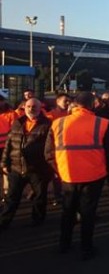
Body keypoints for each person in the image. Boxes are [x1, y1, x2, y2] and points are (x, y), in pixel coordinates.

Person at [45, 92, 109, 259]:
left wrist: (59, 170)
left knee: (68, 211)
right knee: (88, 213)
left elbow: (48, 153)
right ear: (92, 105)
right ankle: (86, 247)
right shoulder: (102, 123)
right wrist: (105, 171)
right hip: (94, 175)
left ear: (74, 104)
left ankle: (64, 243)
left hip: (68, 175)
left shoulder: (58, 123)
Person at [0, 98, 53, 230]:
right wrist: (4, 162)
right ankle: (4, 221)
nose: (31, 109)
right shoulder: (17, 122)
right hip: (17, 167)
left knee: (40, 197)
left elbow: (51, 148)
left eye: (34, 106)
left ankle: (38, 220)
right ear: (24, 108)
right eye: (28, 106)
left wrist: (51, 167)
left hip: (38, 168)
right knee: (12, 197)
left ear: (40, 108)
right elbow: (9, 143)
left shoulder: (48, 124)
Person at [0, 93, 18, 202]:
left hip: (6, 148)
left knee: (7, 171)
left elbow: (14, 131)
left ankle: (6, 195)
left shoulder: (11, 114)